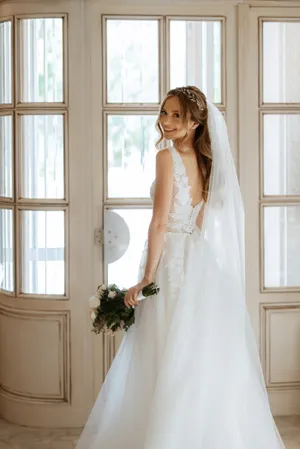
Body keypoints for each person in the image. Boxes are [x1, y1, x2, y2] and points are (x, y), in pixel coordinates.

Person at [76, 86, 286, 449]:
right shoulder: (208, 161)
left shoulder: (166, 156)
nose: (167, 122)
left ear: (195, 122)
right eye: (164, 113)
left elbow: (159, 222)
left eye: (177, 115)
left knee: (164, 350)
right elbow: (199, 221)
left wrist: (146, 277)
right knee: (198, 352)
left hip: (171, 258)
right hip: (198, 258)